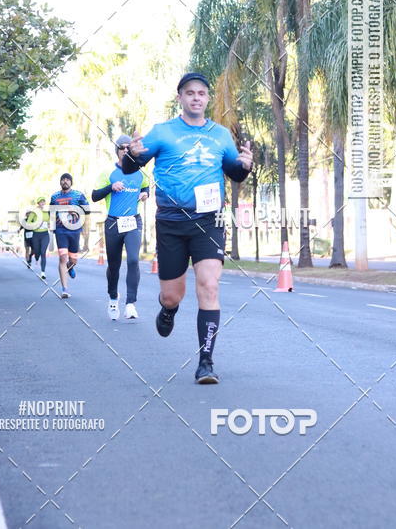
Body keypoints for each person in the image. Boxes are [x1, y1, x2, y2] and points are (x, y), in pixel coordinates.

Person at [122, 72, 252, 384]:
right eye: (190, 93)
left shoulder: (220, 135)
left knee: (209, 285)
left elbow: (234, 172)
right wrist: (131, 155)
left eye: (201, 93)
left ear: (207, 99)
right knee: (172, 295)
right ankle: (167, 311)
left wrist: (245, 166)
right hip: (171, 222)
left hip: (208, 221)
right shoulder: (163, 132)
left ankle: (205, 362)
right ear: (180, 97)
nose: (196, 98)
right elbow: (131, 167)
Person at [92, 135, 150, 320]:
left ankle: (130, 303)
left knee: (133, 260)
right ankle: (113, 298)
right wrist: (111, 187)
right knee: (114, 265)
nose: (125, 149)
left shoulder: (141, 172)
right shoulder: (107, 173)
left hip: (133, 221)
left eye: (128, 147)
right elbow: (94, 196)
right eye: (121, 147)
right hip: (113, 223)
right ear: (117, 150)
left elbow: (146, 187)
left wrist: (144, 194)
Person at [50, 174, 90, 298]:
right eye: (63, 179)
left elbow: (87, 210)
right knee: (62, 258)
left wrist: (77, 211)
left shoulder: (78, 195)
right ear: (60, 182)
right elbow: (51, 212)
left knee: (73, 260)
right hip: (60, 231)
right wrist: (52, 227)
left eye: (67, 180)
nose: (65, 181)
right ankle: (64, 289)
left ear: (71, 182)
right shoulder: (54, 196)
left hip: (74, 231)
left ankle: (70, 266)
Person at [26, 198, 50, 279]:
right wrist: (35, 224)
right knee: (37, 252)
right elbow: (28, 222)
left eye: (44, 201)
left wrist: (50, 224)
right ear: (38, 203)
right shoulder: (34, 212)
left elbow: (51, 221)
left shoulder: (46, 212)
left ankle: (43, 272)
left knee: (43, 252)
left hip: (45, 234)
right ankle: (35, 257)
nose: (42, 203)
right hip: (36, 234)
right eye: (41, 201)